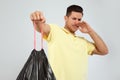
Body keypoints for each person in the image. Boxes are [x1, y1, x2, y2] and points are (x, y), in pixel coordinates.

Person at [30, 5, 108, 80]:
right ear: (66, 18)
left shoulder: (83, 42)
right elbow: (41, 27)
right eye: (74, 18)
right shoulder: (55, 31)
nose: (77, 22)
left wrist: (90, 31)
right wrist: (37, 21)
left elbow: (104, 51)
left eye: (79, 19)